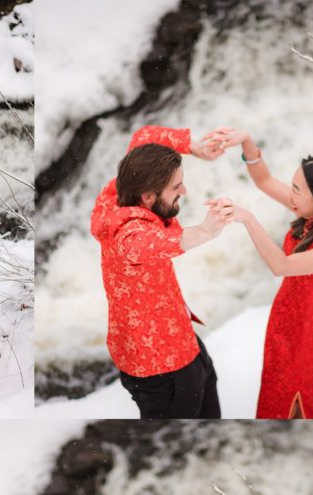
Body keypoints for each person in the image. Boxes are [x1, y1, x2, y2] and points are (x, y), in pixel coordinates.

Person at [205, 128, 313, 419]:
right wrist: (247, 142)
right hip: (282, 325)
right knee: (275, 399)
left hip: (306, 337)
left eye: (297, 190)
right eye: (292, 186)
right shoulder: (310, 213)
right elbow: (263, 180)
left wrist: (247, 218)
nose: (290, 195)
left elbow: (281, 266)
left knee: (298, 405)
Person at [90, 125, 234, 419]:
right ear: (147, 197)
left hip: (183, 342)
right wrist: (206, 230)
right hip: (161, 369)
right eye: (175, 187)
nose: (184, 191)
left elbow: (143, 138)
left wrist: (194, 147)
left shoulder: (116, 192)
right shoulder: (129, 236)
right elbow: (154, 243)